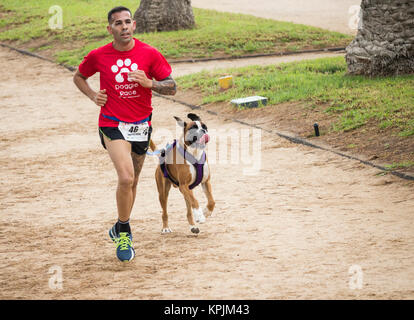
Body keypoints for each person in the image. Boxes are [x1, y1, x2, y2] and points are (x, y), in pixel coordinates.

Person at [73, 6, 177, 262]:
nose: (124, 27)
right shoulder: (99, 55)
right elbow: (79, 76)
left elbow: (172, 86)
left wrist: (150, 83)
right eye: (118, 23)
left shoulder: (149, 53)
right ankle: (125, 232)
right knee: (125, 177)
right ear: (110, 29)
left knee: (133, 182)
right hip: (111, 122)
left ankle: (119, 225)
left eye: (128, 22)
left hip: (141, 125)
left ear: (134, 25)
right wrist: (92, 95)